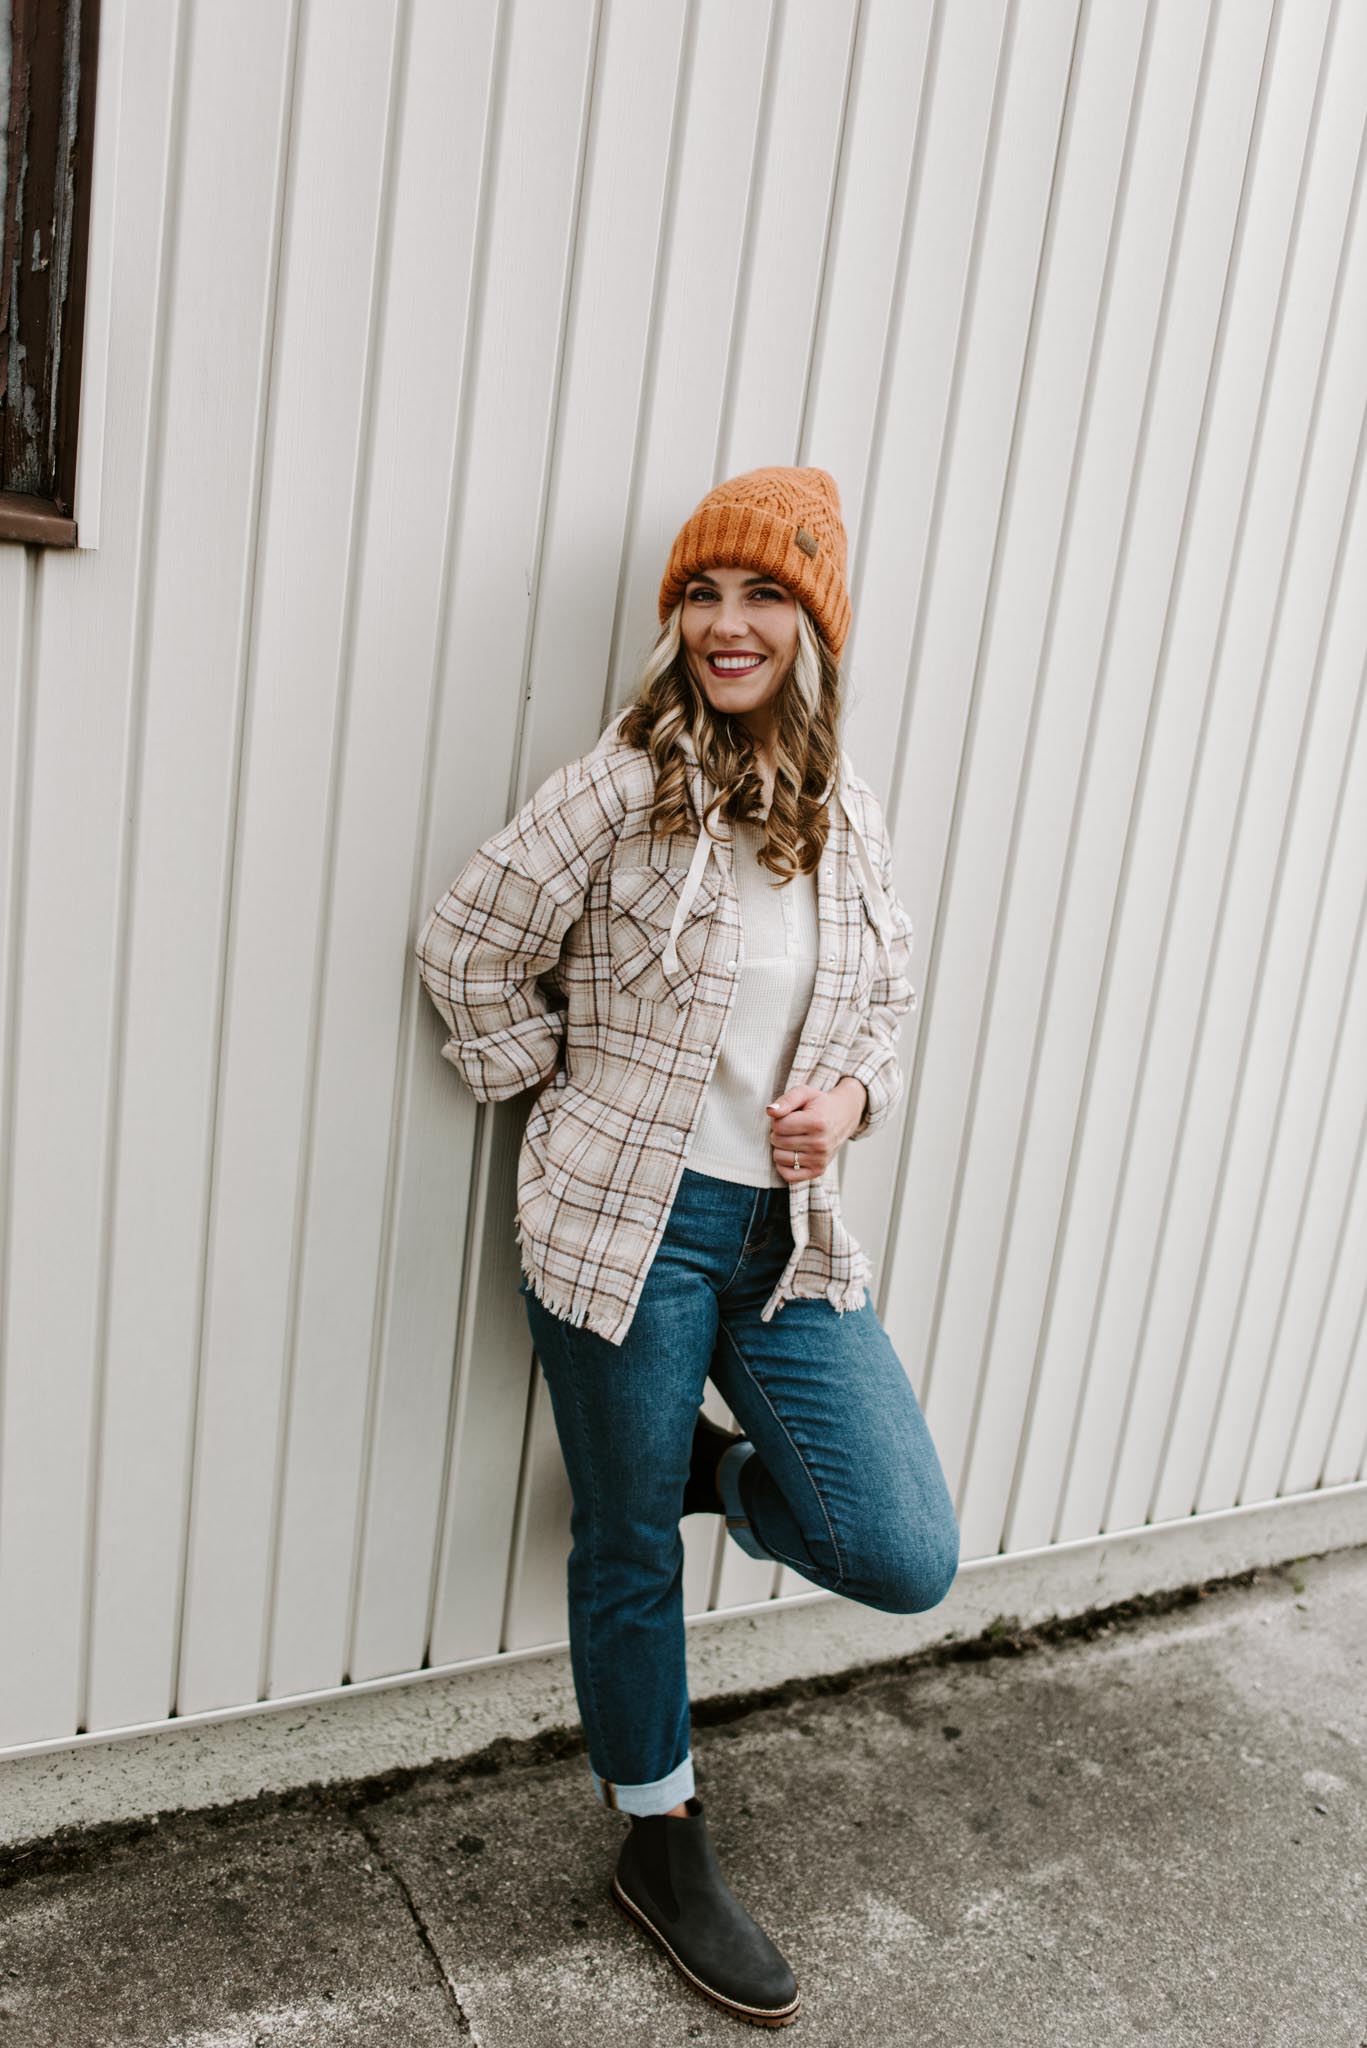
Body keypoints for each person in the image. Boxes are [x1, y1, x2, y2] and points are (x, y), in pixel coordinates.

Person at [415, 466, 960, 2028]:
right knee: (625, 1548)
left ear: (813, 628)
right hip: (624, 1236)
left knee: (900, 1549)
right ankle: (660, 1839)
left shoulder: (848, 819)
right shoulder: (623, 783)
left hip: (783, 1247)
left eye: (764, 595)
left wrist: (849, 1102)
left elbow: (886, 1012)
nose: (729, 624)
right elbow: (469, 943)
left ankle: (703, 1470)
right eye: (704, 595)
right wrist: (563, 1091)